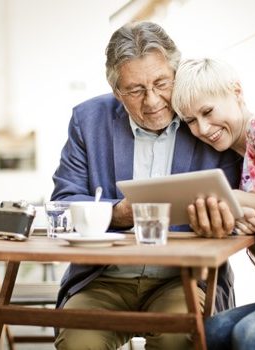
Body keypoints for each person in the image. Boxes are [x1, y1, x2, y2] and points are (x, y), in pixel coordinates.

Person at [51, 22, 244, 350]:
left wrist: (223, 221)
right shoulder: (88, 120)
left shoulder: (204, 122)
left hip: (181, 280)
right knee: (78, 341)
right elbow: (64, 202)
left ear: (176, 75)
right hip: (102, 280)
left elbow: (238, 203)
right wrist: (119, 213)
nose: (152, 100)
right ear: (117, 92)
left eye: (161, 83)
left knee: (179, 336)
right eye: (136, 90)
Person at [172, 57, 255, 349]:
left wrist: (241, 200)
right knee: (211, 332)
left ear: (236, 92)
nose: (203, 128)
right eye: (191, 121)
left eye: (207, 111)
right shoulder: (240, 165)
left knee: (253, 333)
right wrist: (248, 230)